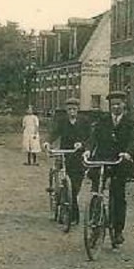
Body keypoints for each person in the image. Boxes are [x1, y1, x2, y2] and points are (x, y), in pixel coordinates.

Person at [86, 91, 134, 247]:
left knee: (118, 196)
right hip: (102, 159)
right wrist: (88, 149)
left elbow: (133, 139)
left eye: (118, 104)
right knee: (96, 191)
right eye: (112, 104)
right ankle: (94, 227)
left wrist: (128, 152)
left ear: (124, 105)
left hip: (119, 162)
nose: (115, 107)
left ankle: (118, 230)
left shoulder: (129, 122)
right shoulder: (103, 120)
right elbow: (93, 137)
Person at [44, 97, 93, 226]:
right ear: (66, 110)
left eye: (74, 109)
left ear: (78, 110)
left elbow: (90, 138)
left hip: (79, 157)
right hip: (66, 155)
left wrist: (82, 145)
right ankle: (64, 209)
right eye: (70, 109)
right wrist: (47, 142)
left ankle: (71, 212)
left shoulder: (84, 122)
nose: (72, 111)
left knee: (75, 188)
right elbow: (54, 133)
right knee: (63, 184)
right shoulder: (62, 121)